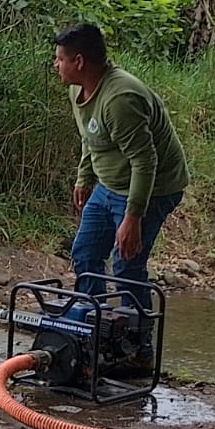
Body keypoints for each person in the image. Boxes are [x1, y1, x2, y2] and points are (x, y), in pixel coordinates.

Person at [53, 22, 189, 322]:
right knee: (86, 253)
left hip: (153, 188)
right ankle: (92, 327)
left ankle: (137, 341)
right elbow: (90, 135)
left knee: (127, 264)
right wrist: (84, 177)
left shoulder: (120, 99)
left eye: (60, 59)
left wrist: (133, 217)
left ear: (79, 61)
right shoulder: (78, 89)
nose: (56, 64)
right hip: (110, 183)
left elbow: (145, 162)